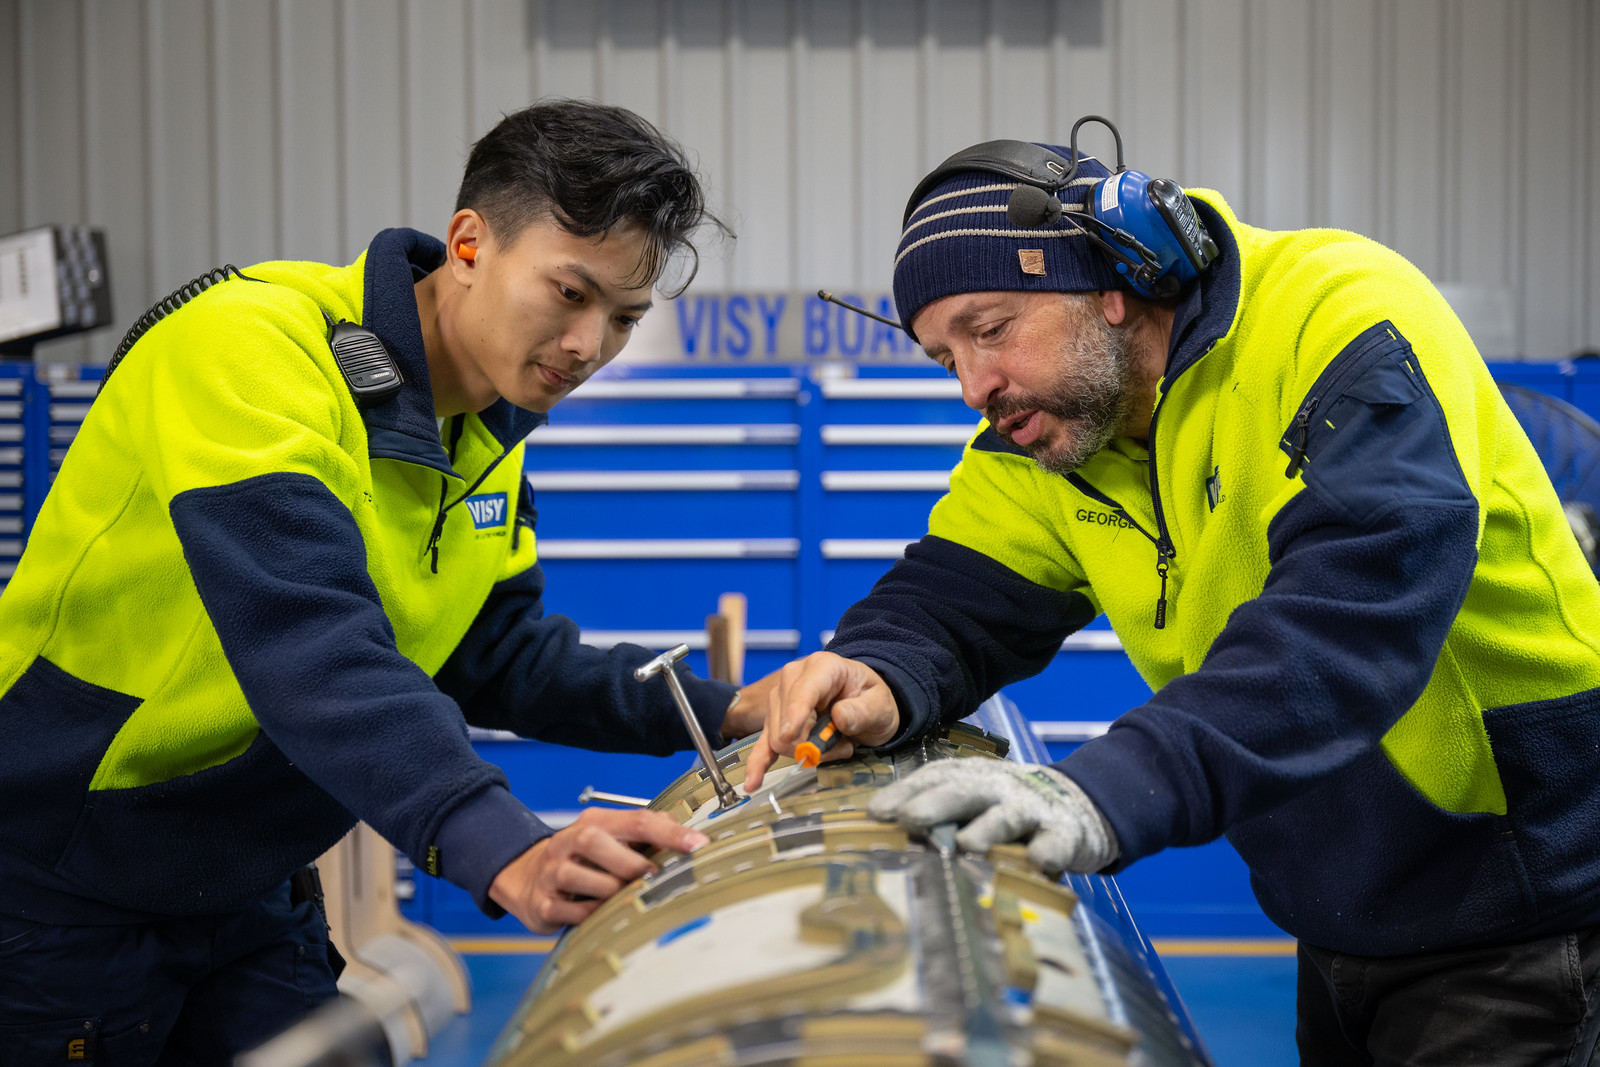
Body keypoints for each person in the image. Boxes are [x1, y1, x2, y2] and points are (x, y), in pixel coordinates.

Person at [743, 131, 1600, 1062]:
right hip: (1344, 909)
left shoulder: (1340, 315)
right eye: (945, 357)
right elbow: (952, 595)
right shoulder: (1054, 433)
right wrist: (873, 666)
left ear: (1113, 283)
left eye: (989, 330)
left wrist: (1100, 789)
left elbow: (1353, 620)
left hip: (1529, 904)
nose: (974, 386)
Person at [0, 100, 767, 1062]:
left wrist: (736, 708)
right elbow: (308, 640)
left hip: (248, 879)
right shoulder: (252, 348)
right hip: (65, 880)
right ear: (470, 242)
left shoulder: (486, 428)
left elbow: (501, 654)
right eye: (570, 294)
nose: (589, 348)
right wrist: (505, 844)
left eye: (623, 318)